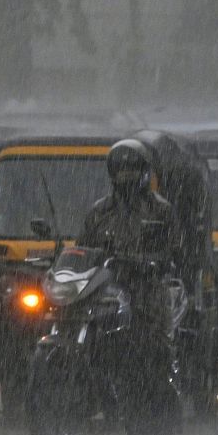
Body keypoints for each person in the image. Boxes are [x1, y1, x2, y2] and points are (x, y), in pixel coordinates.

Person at [78, 139, 176, 348]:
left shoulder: (160, 210)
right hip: (107, 285)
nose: (126, 175)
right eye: (121, 170)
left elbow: (175, 249)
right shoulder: (100, 211)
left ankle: (162, 373)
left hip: (145, 285)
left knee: (156, 337)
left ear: (144, 172)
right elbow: (83, 246)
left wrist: (153, 262)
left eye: (132, 169)